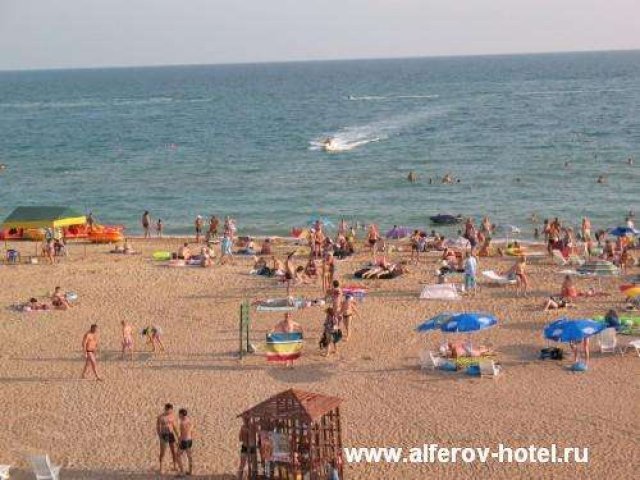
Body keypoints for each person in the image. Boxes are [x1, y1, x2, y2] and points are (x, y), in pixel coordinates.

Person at [157, 403, 180, 475]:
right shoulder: (160, 417)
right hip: (164, 435)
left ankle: (175, 466)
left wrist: (178, 435)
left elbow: (174, 426)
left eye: (171, 410)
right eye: (168, 410)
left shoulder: (172, 416)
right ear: (165, 409)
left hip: (171, 434)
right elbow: (158, 427)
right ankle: (161, 467)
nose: (169, 412)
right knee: (163, 452)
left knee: (173, 451)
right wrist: (160, 436)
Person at [177, 408, 194, 476]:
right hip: (190, 440)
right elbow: (192, 431)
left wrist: (179, 442)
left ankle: (182, 472)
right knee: (189, 456)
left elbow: (182, 434)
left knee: (178, 455)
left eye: (179, 414)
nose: (178, 415)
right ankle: (190, 471)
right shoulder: (190, 421)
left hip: (184, 441)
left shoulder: (182, 423)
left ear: (181, 414)